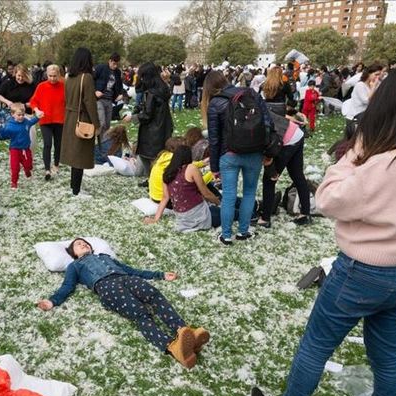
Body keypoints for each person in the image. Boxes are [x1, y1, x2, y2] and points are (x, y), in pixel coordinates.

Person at [251, 63, 396, 396]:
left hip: (361, 270)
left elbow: (330, 199)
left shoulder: (389, 161)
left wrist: (356, 152)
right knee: (387, 357)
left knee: (316, 345)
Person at [36, 237, 209, 369]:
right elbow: (67, 286)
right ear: (73, 253)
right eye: (78, 245)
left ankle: (185, 332)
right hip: (106, 286)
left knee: (154, 295)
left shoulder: (105, 256)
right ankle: (173, 347)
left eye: (85, 243)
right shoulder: (74, 266)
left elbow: (132, 270)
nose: (83, 244)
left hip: (126, 278)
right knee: (139, 313)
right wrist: (52, 301)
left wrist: (160, 274)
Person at [202, 70, 271, 245]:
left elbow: (214, 139)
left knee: (229, 196)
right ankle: (243, 231)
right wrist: (268, 151)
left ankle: (226, 235)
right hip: (254, 152)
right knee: (249, 193)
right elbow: (267, 122)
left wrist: (214, 166)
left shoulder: (215, 104)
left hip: (229, 154)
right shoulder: (251, 94)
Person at [146, 145, 221, 232]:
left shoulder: (167, 172)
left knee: (228, 207)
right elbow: (206, 193)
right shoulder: (191, 168)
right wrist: (219, 203)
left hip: (183, 218)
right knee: (231, 213)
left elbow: (165, 198)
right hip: (200, 214)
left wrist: (156, 219)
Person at [257, 110, 312, 228]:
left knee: (269, 180)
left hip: (286, 140)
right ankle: (305, 214)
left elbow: (269, 149)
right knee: (297, 175)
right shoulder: (257, 105)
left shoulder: (251, 120)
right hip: (295, 132)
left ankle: (265, 218)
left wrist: (271, 170)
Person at [122, 62, 174, 184]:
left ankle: (153, 179)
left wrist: (133, 117)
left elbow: (147, 115)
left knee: (149, 156)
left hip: (153, 129)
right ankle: (153, 179)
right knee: (156, 155)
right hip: (163, 126)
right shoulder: (163, 88)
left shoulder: (152, 93)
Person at [60, 47, 100, 197]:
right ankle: (76, 190)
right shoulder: (86, 77)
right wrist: (96, 124)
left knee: (74, 154)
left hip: (70, 117)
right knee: (80, 155)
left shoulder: (69, 77)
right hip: (83, 118)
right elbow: (90, 103)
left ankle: (74, 186)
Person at [30, 64, 65, 180]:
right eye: (50, 76)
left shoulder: (63, 86)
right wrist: (36, 110)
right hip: (45, 120)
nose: (52, 78)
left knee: (58, 144)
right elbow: (33, 101)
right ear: (46, 75)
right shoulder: (41, 86)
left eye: (55, 76)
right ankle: (47, 169)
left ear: (59, 75)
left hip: (59, 119)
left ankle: (56, 164)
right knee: (47, 144)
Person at [0, 103, 42, 189]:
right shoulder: (9, 126)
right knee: (15, 167)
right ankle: (14, 182)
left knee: (28, 164)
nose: (21, 117)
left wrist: (38, 117)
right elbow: (3, 134)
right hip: (15, 150)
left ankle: (27, 171)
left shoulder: (26, 122)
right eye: (19, 115)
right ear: (13, 114)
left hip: (25, 149)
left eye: (23, 115)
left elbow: (32, 122)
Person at [93, 53, 124, 148]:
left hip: (110, 100)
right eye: (114, 63)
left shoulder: (117, 72)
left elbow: (119, 85)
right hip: (99, 99)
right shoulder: (101, 68)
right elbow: (91, 80)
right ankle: (96, 142)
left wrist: (120, 94)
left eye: (117, 64)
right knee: (101, 122)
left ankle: (103, 144)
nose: (115, 66)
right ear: (110, 61)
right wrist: (95, 91)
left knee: (107, 124)